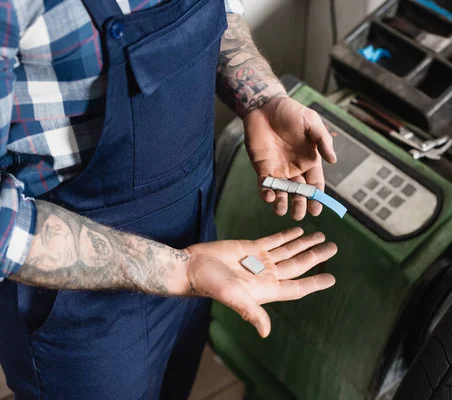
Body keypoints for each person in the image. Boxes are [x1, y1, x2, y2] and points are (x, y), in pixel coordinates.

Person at [0, 1, 339, 399]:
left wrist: (261, 97)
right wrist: (177, 271)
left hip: (200, 246)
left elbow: (217, 12)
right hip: (78, 303)